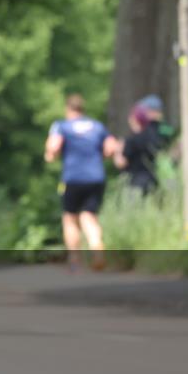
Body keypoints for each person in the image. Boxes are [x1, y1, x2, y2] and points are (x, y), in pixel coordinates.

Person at [44, 95, 118, 270]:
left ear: (68, 109)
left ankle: (75, 260)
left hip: (73, 177)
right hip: (96, 177)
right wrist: (100, 157)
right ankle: (96, 245)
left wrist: (50, 156)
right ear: (82, 109)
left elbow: (53, 147)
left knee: (70, 218)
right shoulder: (97, 126)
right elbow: (111, 147)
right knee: (88, 215)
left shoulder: (61, 126)